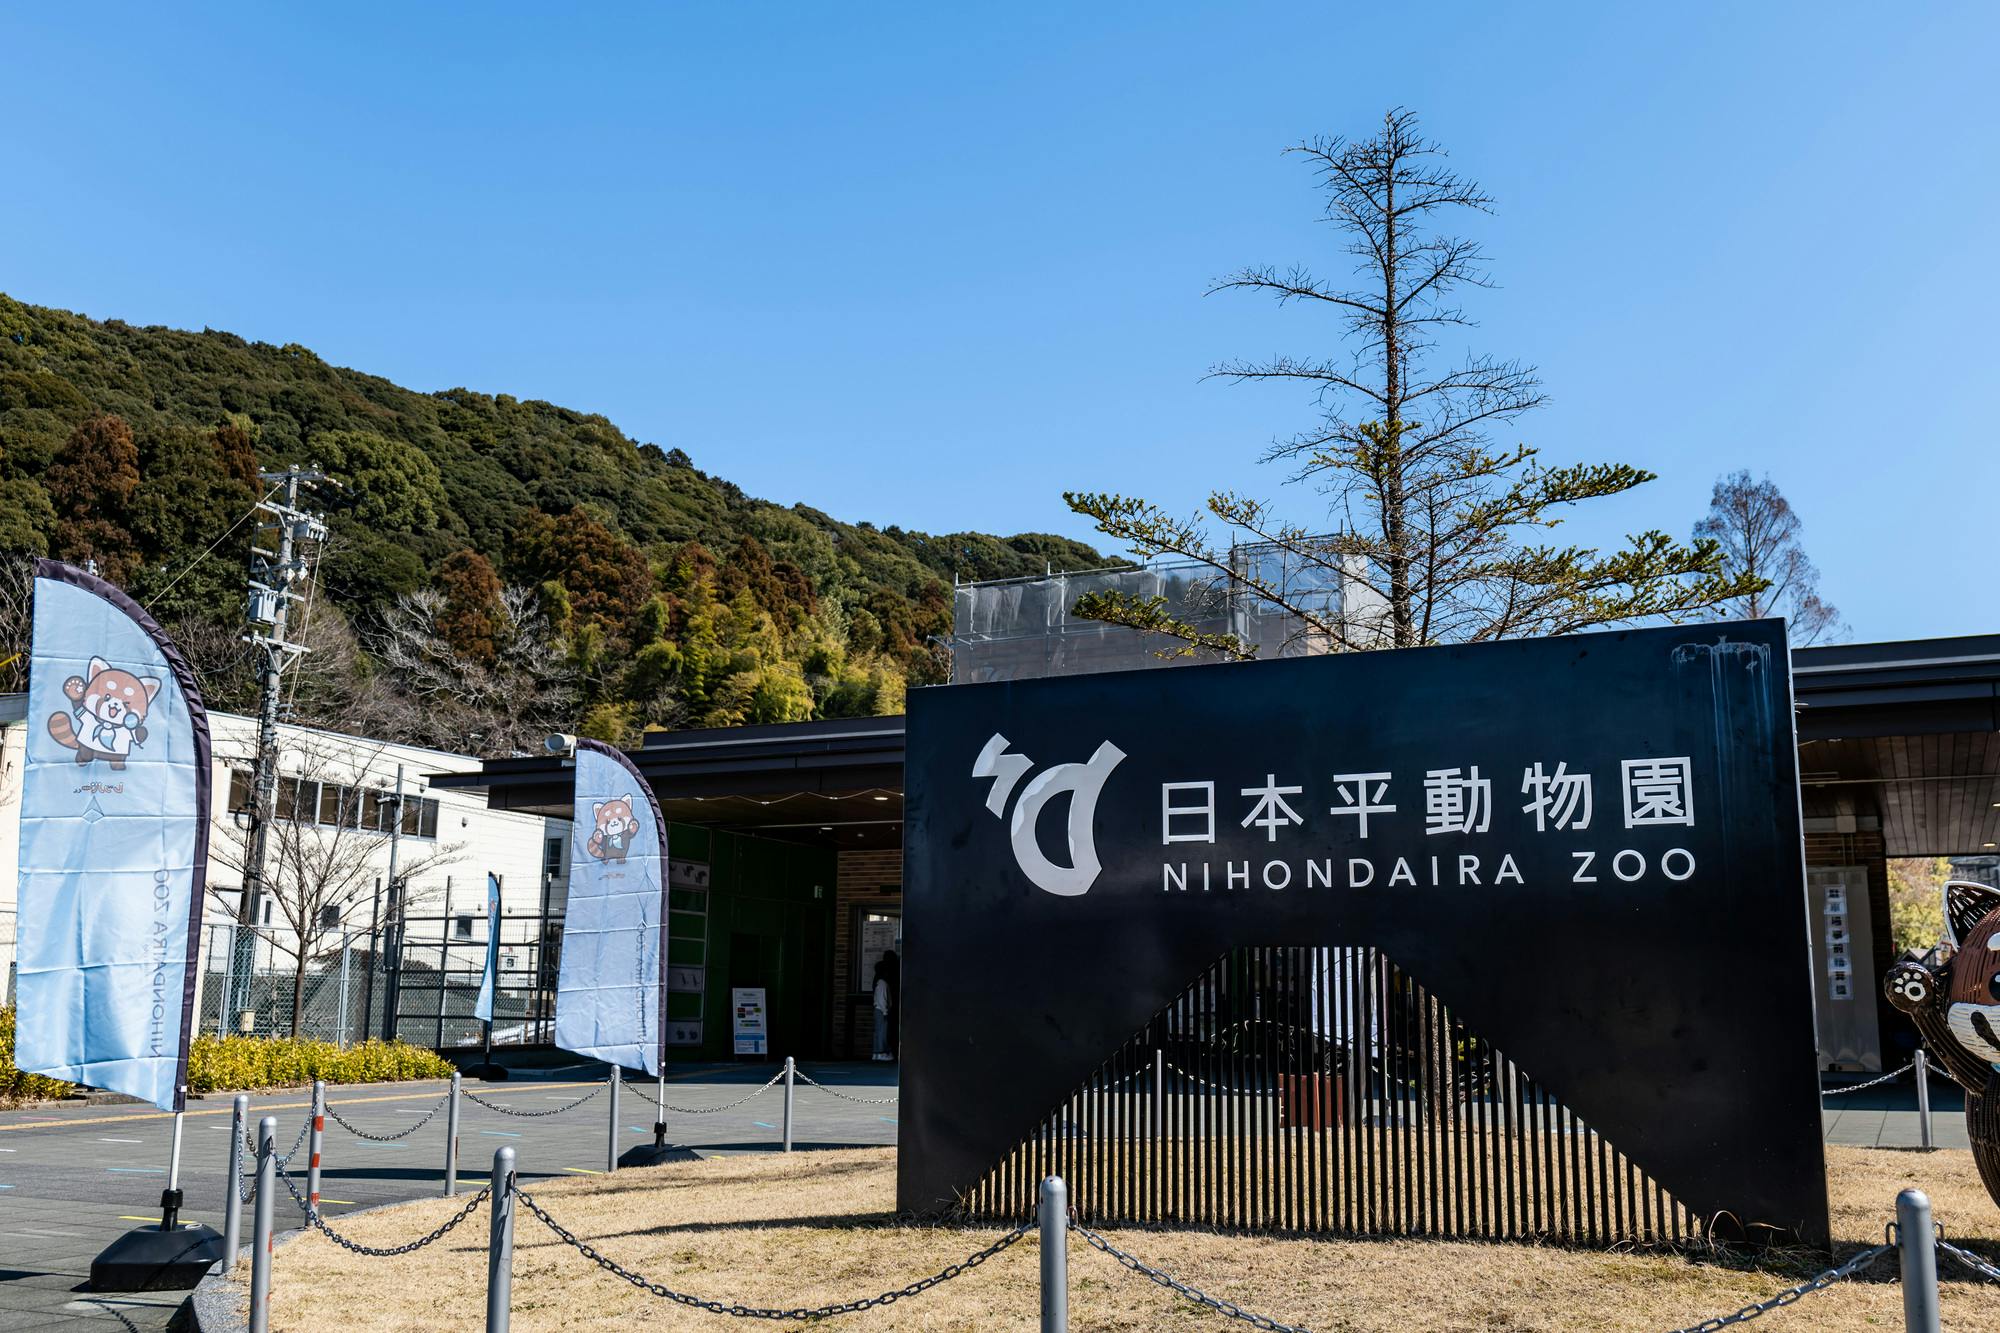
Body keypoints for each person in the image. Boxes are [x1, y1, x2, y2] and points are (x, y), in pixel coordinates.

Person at [871, 957, 893, 1061]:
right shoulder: (883, 983)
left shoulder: (878, 982)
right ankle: (882, 1052)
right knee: (882, 1032)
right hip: (881, 1010)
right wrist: (885, 1011)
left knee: (878, 1032)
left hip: (877, 1009)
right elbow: (882, 999)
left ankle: (876, 1053)